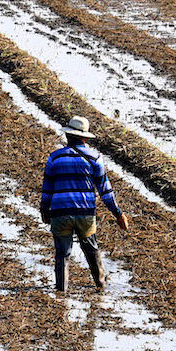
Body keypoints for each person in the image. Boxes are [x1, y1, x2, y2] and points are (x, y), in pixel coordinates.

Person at [39, 116, 130, 291]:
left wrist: (44, 210)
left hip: (60, 213)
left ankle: (61, 291)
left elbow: (47, 189)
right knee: (91, 249)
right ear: (86, 138)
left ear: (68, 136)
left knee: (62, 254)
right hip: (85, 214)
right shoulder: (95, 158)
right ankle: (101, 285)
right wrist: (118, 214)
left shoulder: (54, 158)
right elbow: (105, 191)